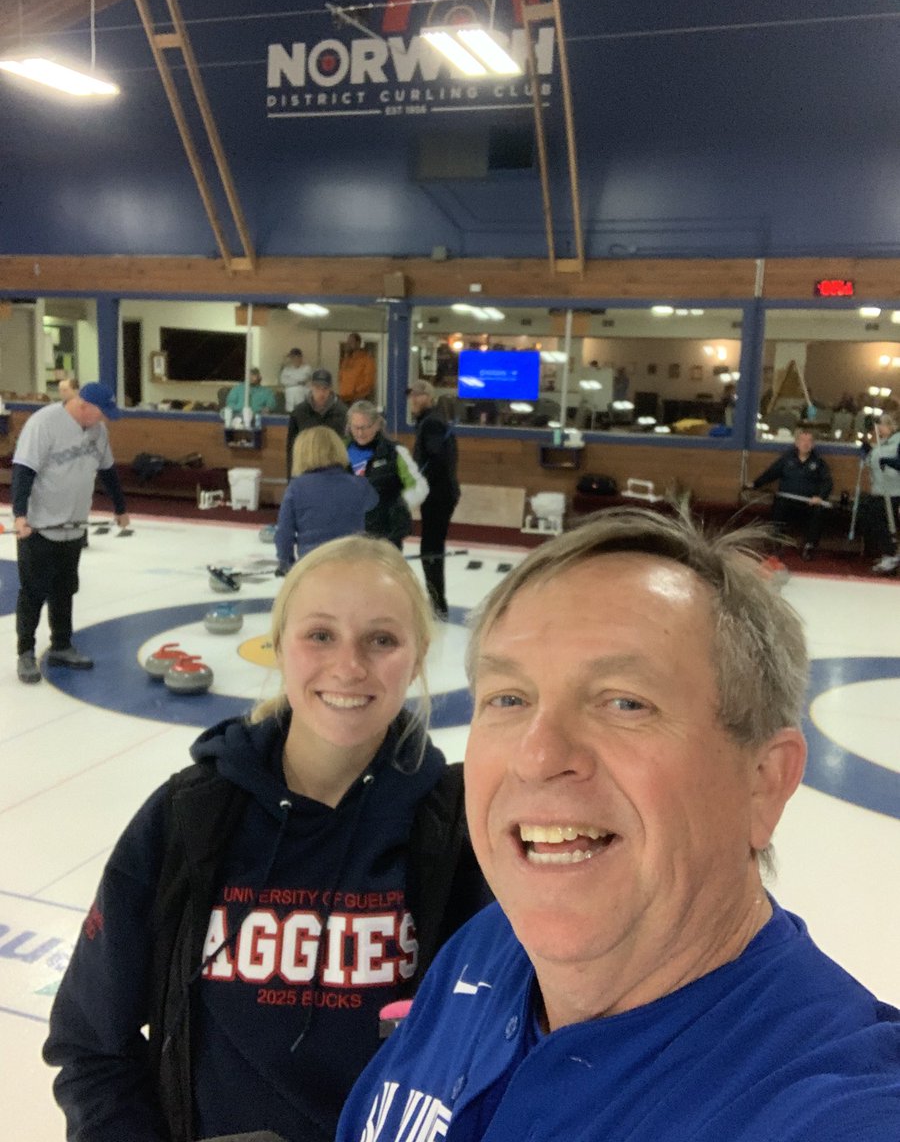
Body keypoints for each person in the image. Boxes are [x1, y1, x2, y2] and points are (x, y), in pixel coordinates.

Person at [337, 506, 900, 1142]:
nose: (538, 755)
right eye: (509, 699)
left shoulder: (832, 1105)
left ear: (764, 780)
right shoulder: (487, 946)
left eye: (625, 702)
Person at [43, 535, 490, 1142]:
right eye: (320, 635)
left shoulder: (460, 830)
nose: (350, 666)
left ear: (416, 658)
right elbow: (91, 1043)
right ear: (277, 645)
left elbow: (504, 1053)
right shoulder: (189, 816)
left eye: (382, 639)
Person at [12, 381, 129, 684]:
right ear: (83, 405)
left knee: (65, 589)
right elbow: (24, 471)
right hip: (39, 527)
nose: (103, 420)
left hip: (73, 526)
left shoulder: (97, 432)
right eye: (101, 414)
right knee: (33, 592)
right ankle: (26, 652)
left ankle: (62, 645)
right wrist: (20, 515)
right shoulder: (43, 424)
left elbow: (108, 470)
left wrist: (120, 507)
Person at [275, 426, 377, 572]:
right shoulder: (359, 485)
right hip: (353, 563)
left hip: (312, 565)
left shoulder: (296, 488)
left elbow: (285, 533)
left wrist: (285, 561)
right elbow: (374, 505)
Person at [408, 380, 459, 619]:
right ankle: (437, 601)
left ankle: (438, 603)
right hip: (440, 492)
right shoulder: (430, 421)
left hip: (439, 494)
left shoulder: (432, 424)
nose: (414, 400)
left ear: (429, 397)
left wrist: (414, 483)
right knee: (431, 545)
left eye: (419, 396)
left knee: (431, 547)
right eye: (412, 396)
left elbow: (435, 461)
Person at [747, 426, 833, 559]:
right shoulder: (786, 459)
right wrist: (755, 484)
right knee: (778, 506)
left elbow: (827, 482)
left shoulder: (819, 463)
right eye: (802, 441)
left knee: (819, 511)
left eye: (809, 441)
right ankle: (776, 544)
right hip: (786, 500)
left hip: (808, 503)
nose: (805, 444)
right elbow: (771, 473)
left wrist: (820, 497)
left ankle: (809, 547)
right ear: (797, 443)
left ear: (813, 445)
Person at [346, 400, 412, 550]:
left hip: (386, 532)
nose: (360, 433)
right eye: (355, 427)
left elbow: (417, 488)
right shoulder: (340, 450)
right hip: (351, 531)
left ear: (376, 425)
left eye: (365, 427)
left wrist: (396, 506)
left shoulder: (395, 452)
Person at [286, 369, 348, 479]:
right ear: (311, 387)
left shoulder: (343, 413)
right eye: (317, 388)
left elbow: (347, 447)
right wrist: (291, 479)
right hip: (305, 472)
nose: (321, 393)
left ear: (331, 389)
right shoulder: (299, 412)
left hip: (334, 474)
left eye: (325, 389)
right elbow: (292, 448)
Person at [860, 411, 900, 574]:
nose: (879, 428)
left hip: (893, 490)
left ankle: (890, 554)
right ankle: (887, 553)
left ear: (890, 426)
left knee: (885, 522)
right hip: (879, 489)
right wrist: (867, 450)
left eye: (882, 425)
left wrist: (888, 462)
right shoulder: (882, 443)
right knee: (875, 521)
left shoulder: (897, 442)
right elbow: (873, 462)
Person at [338, 333, 376, 405]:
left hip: (358, 398)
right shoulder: (346, 360)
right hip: (344, 398)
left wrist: (356, 391)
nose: (348, 344)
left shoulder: (367, 359)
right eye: (348, 342)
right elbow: (341, 378)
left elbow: (369, 381)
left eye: (351, 342)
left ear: (358, 343)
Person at [280, 347, 312, 412]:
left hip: (302, 396)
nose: (295, 359)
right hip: (290, 398)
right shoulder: (287, 369)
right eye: (293, 357)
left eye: (297, 357)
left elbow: (303, 378)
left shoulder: (307, 368)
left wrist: (291, 381)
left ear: (301, 358)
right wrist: (297, 382)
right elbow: (283, 381)